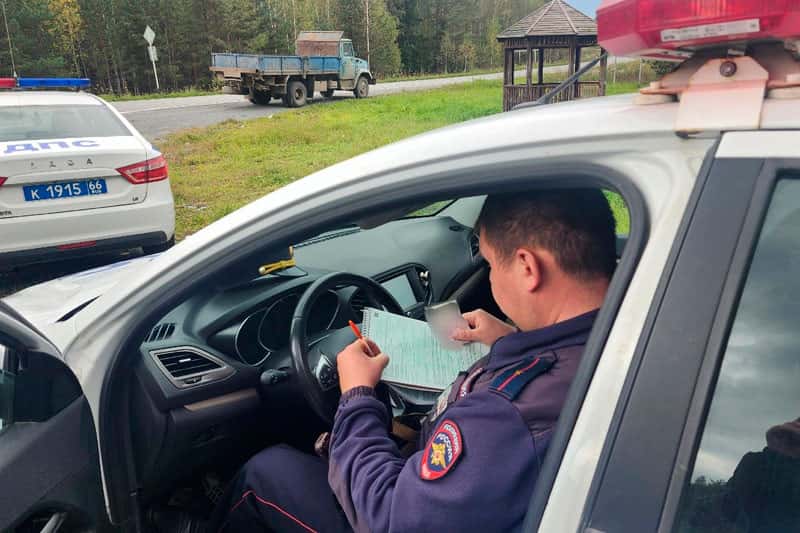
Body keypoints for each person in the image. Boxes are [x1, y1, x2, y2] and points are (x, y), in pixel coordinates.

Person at [211, 189, 617, 532]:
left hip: (399, 507)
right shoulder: (622, 332)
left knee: (266, 471)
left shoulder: (506, 413)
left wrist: (356, 396)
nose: (490, 279)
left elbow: (387, 517)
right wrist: (514, 341)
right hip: (466, 497)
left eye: (492, 264)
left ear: (528, 268)